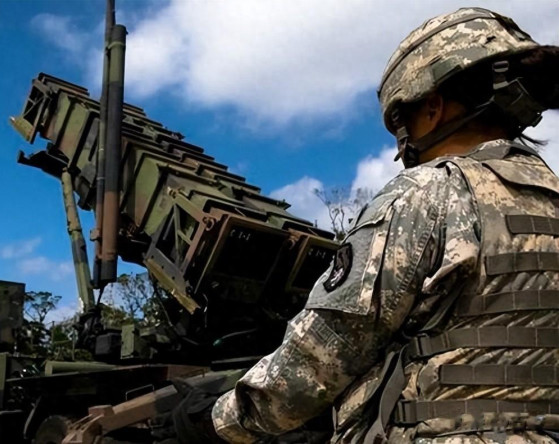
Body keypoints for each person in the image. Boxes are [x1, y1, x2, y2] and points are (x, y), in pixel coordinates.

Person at [211, 7, 559, 443]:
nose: (402, 145)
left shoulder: (427, 193)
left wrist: (223, 418)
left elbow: (322, 355)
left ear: (432, 107)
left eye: (401, 122)